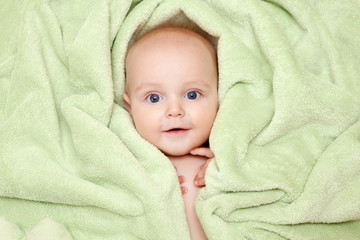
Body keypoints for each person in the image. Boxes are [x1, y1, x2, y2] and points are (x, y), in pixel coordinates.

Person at [122, 26, 218, 240]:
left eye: (192, 95)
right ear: (130, 107)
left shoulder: (223, 158)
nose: (175, 111)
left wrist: (228, 173)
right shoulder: (129, 162)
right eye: (154, 98)